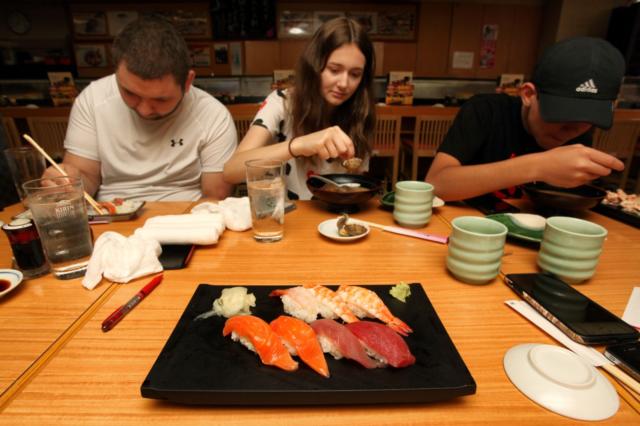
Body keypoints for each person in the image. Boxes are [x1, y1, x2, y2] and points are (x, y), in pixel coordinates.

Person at [43, 16, 237, 201]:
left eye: (160, 99)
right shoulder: (93, 99)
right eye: (130, 93)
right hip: (111, 215)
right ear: (117, 74)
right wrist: (68, 183)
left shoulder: (213, 115)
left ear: (187, 82)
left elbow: (214, 197)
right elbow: (86, 178)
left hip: (185, 218)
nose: (144, 110)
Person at [425, 37, 626, 201]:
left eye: (588, 120)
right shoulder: (486, 110)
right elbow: (436, 184)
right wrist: (537, 166)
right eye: (561, 116)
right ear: (528, 95)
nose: (572, 131)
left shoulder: (579, 130)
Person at [222, 17, 376, 200]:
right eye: (334, 70)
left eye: (355, 74)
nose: (344, 84)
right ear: (314, 66)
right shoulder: (281, 103)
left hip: (335, 217)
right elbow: (231, 171)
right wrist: (299, 145)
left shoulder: (360, 110)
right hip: (287, 217)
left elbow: (355, 182)